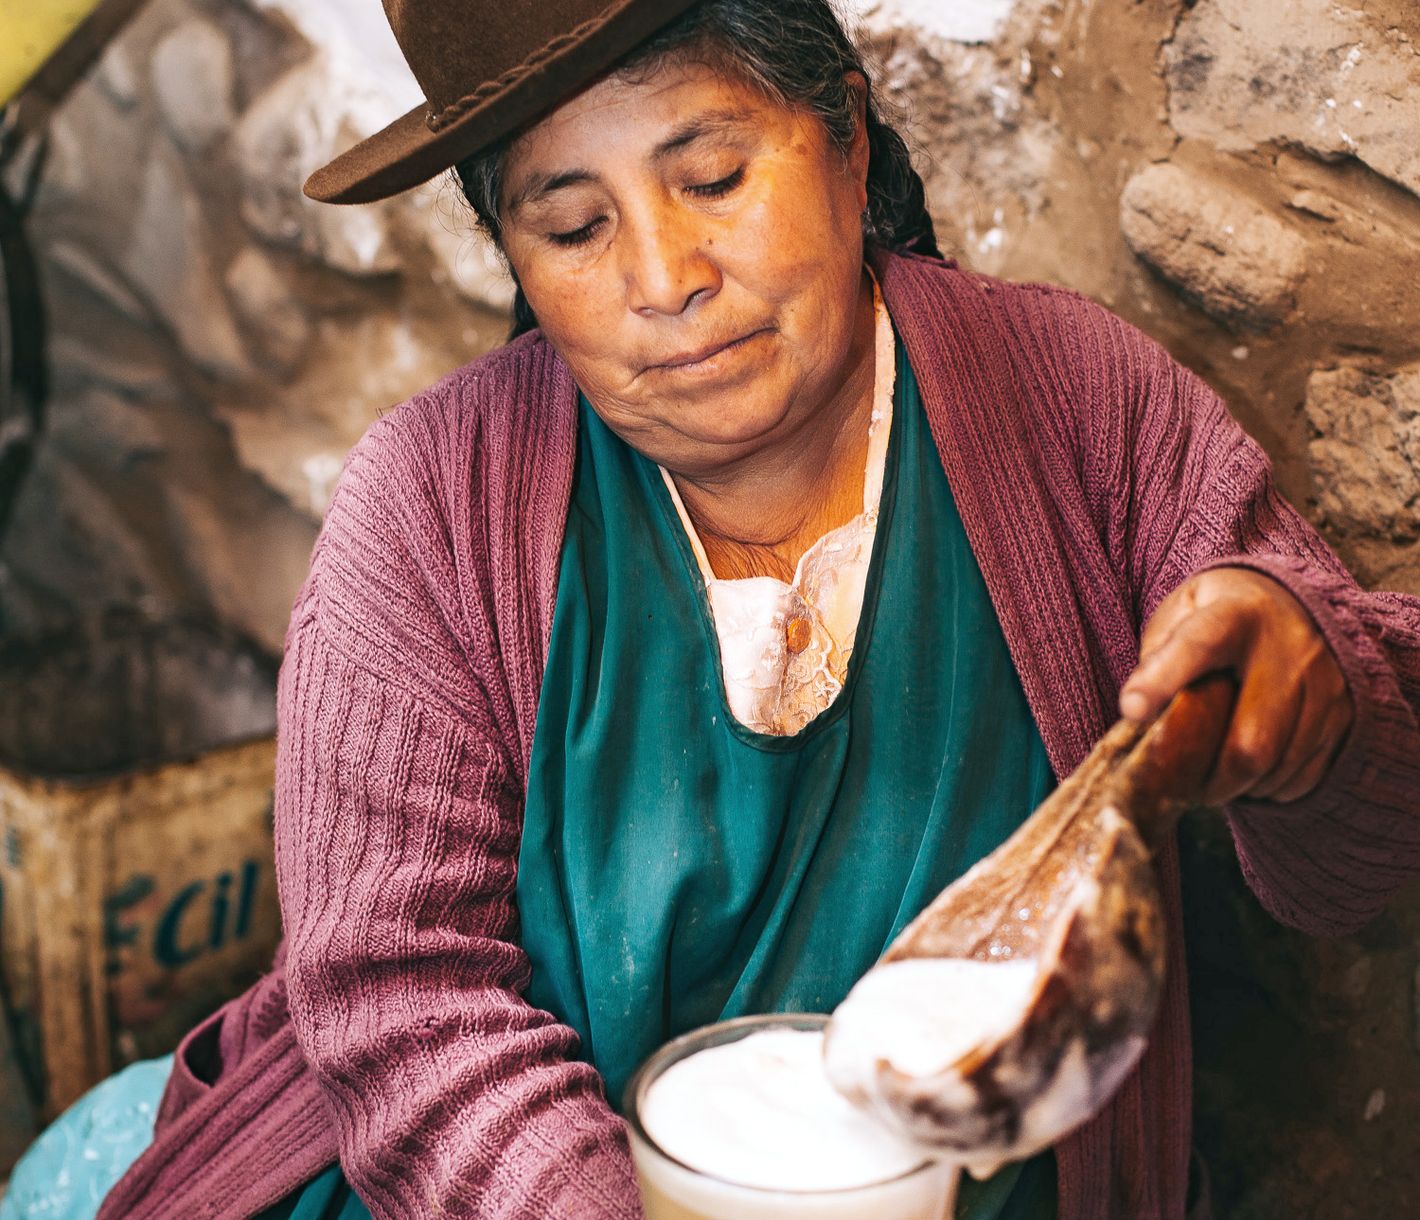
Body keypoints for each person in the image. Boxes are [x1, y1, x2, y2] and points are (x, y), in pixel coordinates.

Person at [6, 1, 1418, 1218]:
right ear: (512, 253)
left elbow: (1365, 854)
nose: (665, 280)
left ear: (847, 140)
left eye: (715, 175)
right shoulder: (429, 513)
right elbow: (399, 997)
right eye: (574, 225)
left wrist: (1316, 712)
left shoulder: (1082, 410)